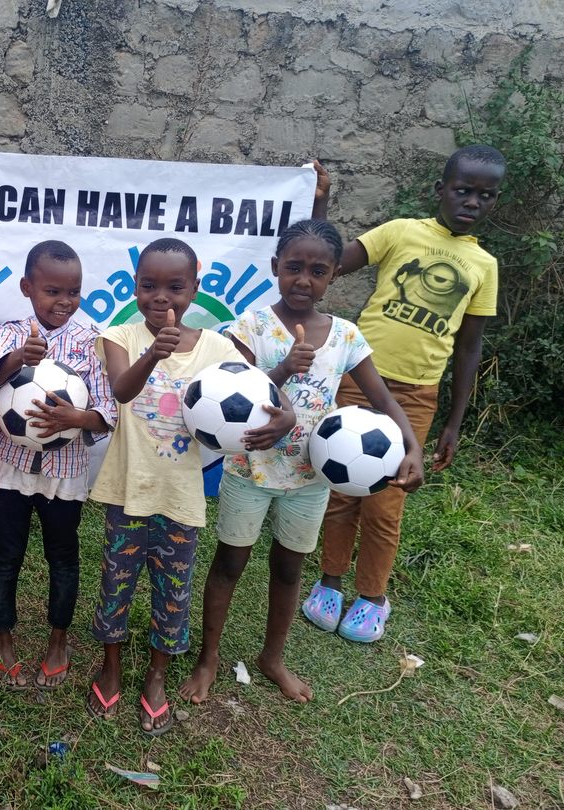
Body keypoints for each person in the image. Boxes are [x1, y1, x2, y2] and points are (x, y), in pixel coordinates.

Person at [178, 220, 423, 705]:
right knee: (229, 564)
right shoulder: (250, 326)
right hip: (250, 471)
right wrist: (284, 368)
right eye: (293, 267)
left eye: (318, 271)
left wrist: (412, 446)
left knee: (289, 570)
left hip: (310, 481)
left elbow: (383, 400)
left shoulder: (346, 336)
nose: (303, 280)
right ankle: (209, 658)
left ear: (334, 275)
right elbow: (235, 389)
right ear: (275, 267)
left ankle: (273, 658)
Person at [85, 238, 295, 735]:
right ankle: (111, 665)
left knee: (173, 591)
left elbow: (257, 389)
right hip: (126, 490)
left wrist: (284, 414)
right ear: (135, 287)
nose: (161, 297)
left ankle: (157, 673)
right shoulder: (119, 336)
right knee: (116, 582)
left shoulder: (216, 349)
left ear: (194, 289)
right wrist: (153, 354)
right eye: (148, 285)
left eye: (175, 287)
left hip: (181, 497)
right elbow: (121, 391)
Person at [305, 146, 505, 642]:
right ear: (441, 190)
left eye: (485, 196)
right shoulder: (400, 232)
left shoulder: (483, 264)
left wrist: (453, 422)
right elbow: (330, 263)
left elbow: (469, 347)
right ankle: (330, 582)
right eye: (463, 190)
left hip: (415, 396)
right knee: (342, 486)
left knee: (387, 498)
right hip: (358, 378)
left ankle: (372, 596)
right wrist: (319, 203)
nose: (472, 202)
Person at [0, 240, 118, 690]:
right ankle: (2, 638)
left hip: (66, 471)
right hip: (10, 467)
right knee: (6, 555)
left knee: (63, 556)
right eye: (52, 291)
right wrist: (20, 358)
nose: (64, 301)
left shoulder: (91, 340)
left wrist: (76, 418)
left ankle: (59, 641)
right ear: (27, 288)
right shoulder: (13, 332)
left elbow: (108, 410)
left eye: (73, 292)